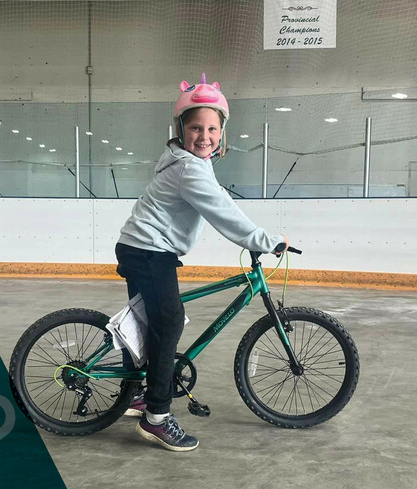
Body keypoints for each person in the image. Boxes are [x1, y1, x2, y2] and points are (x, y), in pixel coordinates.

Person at [114, 73, 287, 452]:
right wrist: (265, 240)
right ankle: (156, 416)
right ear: (181, 128)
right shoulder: (190, 168)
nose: (204, 135)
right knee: (170, 319)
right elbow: (222, 211)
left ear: (222, 132)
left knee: (153, 322)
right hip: (148, 251)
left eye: (212, 128)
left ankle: (143, 393)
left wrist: (255, 235)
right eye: (195, 128)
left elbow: (218, 200)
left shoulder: (188, 161)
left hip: (143, 248)